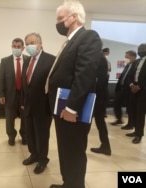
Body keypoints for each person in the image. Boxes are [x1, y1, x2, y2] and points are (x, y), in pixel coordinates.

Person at [47, 1, 102, 188]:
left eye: (61, 18)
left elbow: (84, 75)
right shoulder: (69, 42)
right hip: (61, 108)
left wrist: (71, 107)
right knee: (65, 150)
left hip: (73, 111)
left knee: (74, 152)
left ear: (74, 17)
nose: (58, 22)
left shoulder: (88, 37)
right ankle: (68, 183)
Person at [21, 33, 55, 174]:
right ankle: (34, 154)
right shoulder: (27, 60)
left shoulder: (51, 60)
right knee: (30, 133)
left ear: (40, 44)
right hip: (28, 106)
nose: (30, 46)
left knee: (41, 135)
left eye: (33, 42)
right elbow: (25, 84)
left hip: (44, 107)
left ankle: (42, 159)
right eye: (27, 43)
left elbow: (54, 85)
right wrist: (23, 102)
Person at [0, 38, 29, 146]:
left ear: (23, 48)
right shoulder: (5, 61)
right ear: (11, 46)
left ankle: (25, 136)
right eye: (14, 46)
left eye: (18, 47)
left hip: (24, 96)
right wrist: (1, 94)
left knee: (25, 117)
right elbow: (0, 79)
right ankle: (11, 136)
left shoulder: (29, 60)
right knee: (9, 118)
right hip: (10, 95)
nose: (16, 48)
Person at [90, 53, 111, 156]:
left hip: (98, 97)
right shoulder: (98, 57)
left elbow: (100, 80)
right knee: (99, 122)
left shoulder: (100, 58)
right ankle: (105, 146)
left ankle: (106, 146)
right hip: (97, 96)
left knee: (99, 122)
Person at [126, 43, 146, 144]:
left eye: (142, 48)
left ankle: (139, 134)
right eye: (139, 48)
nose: (140, 50)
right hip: (133, 88)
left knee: (140, 113)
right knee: (132, 109)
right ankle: (135, 130)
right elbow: (129, 75)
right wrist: (131, 85)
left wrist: (140, 86)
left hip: (143, 90)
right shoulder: (136, 62)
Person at [110, 50, 137, 129]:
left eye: (127, 57)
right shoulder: (127, 65)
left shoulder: (136, 65)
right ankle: (119, 119)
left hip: (129, 89)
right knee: (116, 103)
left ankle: (131, 124)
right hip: (121, 88)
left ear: (132, 56)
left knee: (130, 107)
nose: (125, 58)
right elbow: (124, 76)